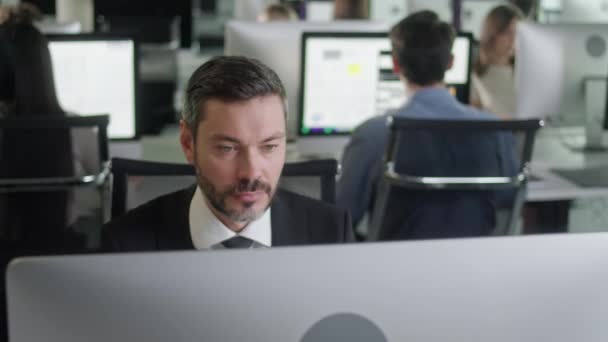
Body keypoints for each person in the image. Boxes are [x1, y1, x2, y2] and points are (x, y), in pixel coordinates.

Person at [102, 56, 354, 252]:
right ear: (188, 143)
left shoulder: (332, 233)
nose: (252, 172)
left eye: (269, 146)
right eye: (228, 148)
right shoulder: (125, 244)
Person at [337, 11, 517, 240]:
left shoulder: (375, 134)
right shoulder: (494, 130)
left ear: (395, 64)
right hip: (472, 266)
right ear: (451, 63)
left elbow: (343, 215)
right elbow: (506, 199)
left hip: (397, 269)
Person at [470, 4, 524, 119]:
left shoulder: (525, 75)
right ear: (492, 34)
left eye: (518, 33)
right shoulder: (474, 77)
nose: (513, 39)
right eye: (508, 32)